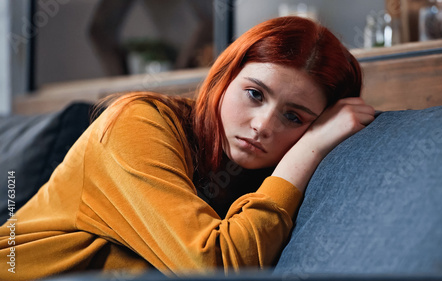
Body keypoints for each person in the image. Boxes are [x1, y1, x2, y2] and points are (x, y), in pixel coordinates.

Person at [0, 16, 374, 280]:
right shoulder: (138, 122)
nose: (263, 126)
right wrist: (307, 148)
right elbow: (212, 266)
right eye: (255, 94)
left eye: (294, 117)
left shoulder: (249, 171)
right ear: (225, 77)